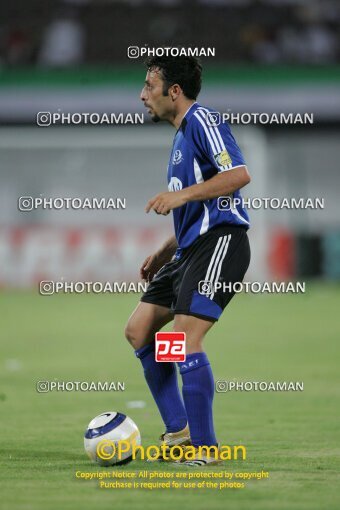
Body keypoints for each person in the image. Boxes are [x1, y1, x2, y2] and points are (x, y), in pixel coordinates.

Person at [125, 55, 251, 466]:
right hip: (188, 250)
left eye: (149, 86)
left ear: (173, 92)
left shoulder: (203, 120)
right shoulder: (180, 137)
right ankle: (180, 432)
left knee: (183, 339)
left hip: (221, 243)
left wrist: (179, 196)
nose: (143, 95)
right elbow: (199, 203)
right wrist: (165, 250)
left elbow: (238, 175)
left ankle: (206, 448)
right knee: (140, 332)